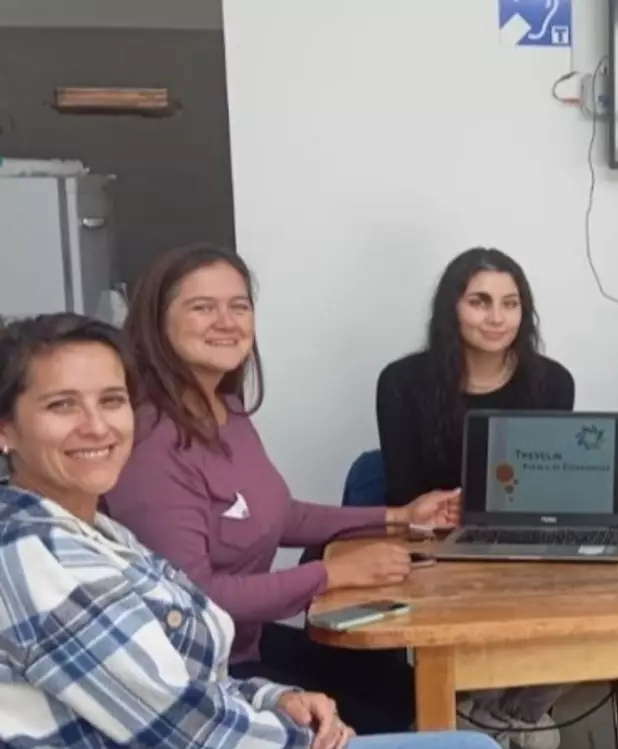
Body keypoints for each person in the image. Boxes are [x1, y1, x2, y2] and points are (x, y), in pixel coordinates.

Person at [0, 312, 499, 749]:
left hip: (233, 694)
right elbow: (189, 733)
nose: (96, 426)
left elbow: (181, 678)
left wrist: (271, 698)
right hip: (223, 728)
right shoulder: (34, 556)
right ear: (6, 428)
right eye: (61, 405)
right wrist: (302, 730)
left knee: (410, 701)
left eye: (111, 400)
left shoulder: (97, 527)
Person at [102, 245, 458, 736]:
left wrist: (401, 517)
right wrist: (331, 574)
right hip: (201, 675)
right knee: (388, 718)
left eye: (239, 306)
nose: (226, 321)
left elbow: (279, 514)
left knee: (399, 686)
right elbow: (194, 596)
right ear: (156, 322)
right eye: (202, 307)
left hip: (245, 642)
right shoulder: (151, 442)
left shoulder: (226, 407)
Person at [375, 247, 573, 748]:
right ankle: (501, 721)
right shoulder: (401, 383)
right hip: (437, 555)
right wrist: (443, 510)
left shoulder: (553, 382)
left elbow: (550, 486)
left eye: (511, 303)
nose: (496, 317)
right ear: (452, 308)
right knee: (540, 734)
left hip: (525, 556)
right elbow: (403, 495)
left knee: (590, 623)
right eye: (480, 302)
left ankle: (483, 719)